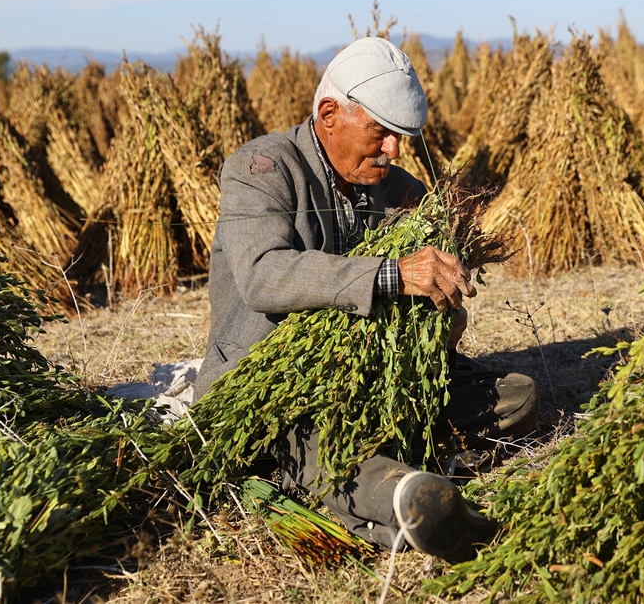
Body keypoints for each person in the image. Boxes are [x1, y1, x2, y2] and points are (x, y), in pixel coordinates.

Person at [191, 37, 539, 562]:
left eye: (401, 138)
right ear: (329, 113)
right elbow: (264, 275)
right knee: (318, 441)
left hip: (374, 377)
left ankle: (397, 453)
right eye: (380, 133)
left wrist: (443, 313)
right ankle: (406, 501)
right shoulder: (261, 168)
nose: (393, 151)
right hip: (273, 382)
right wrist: (392, 275)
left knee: (518, 396)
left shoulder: (398, 189)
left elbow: (434, 291)